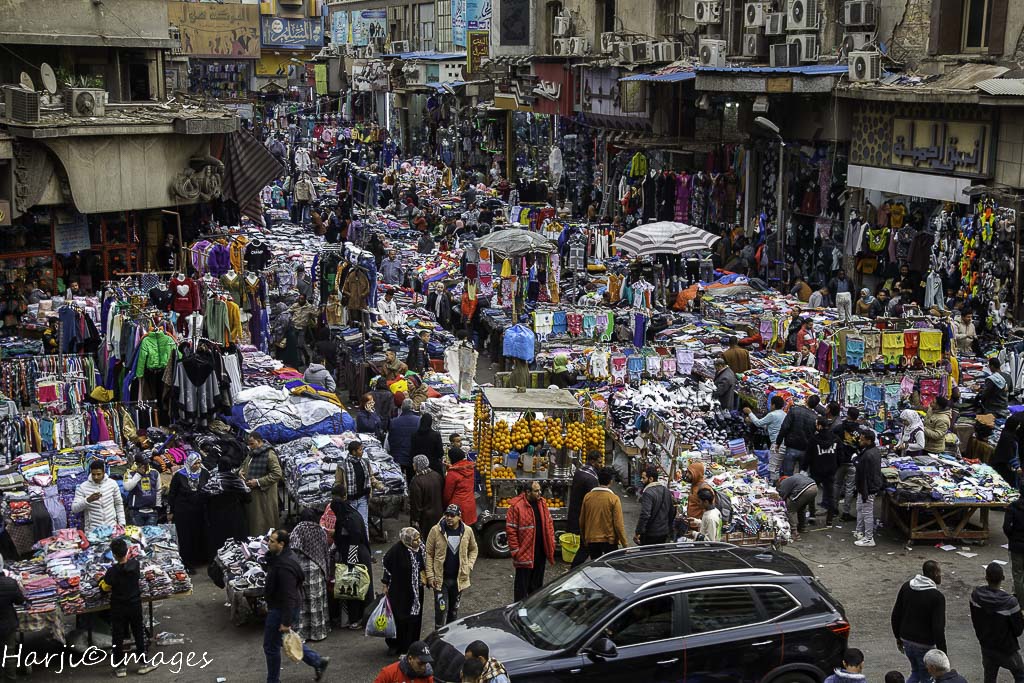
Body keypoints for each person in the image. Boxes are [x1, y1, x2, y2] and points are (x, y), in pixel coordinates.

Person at [263, 529, 330, 683]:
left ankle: (273, 680)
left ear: (281, 544)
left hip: (281, 609)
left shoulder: (284, 567)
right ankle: (318, 661)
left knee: (271, 646)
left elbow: (289, 596)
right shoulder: (284, 557)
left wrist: (286, 622)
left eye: (272, 541)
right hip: (282, 607)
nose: (268, 543)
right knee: (282, 639)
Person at [101, 538, 156, 677]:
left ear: (114, 555)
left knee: (117, 636)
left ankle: (120, 668)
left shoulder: (111, 572)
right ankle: (143, 664)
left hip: (118, 606)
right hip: (134, 604)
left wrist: (100, 581)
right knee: (138, 633)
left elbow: (105, 587)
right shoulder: (135, 565)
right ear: (127, 552)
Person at [325, 484, 373, 629]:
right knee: (354, 588)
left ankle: (359, 618)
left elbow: (355, 539)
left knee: (358, 587)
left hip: (358, 556)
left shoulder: (351, 519)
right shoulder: (347, 515)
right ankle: (355, 617)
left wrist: (350, 564)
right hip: (354, 554)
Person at [891, 560, 947, 682]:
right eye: (939, 572)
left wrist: (898, 637)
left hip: (906, 639)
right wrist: (943, 654)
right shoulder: (937, 597)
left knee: (916, 672)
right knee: (927, 677)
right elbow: (938, 628)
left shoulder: (907, 586)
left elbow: (896, 614)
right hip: (924, 644)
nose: (940, 575)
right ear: (934, 573)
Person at [425, 504, 478, 629]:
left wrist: (469, 566)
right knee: (440, 610)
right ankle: (438, 635)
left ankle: (450, 635)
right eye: (447, 515)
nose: (449, 518)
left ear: (459, 517)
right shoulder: (436, 530)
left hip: (458, 580)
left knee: (453, 612)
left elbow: (474, 549)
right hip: (440, 580)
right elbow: (428, 553)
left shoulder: (467, 531)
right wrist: (430, 576)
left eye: (452, 515)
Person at [970, 561, 1024, 682]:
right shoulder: (1010, 602)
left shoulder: (976, 596)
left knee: (989, 677)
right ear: (1003, 578)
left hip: (986, 645)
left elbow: (974, 619)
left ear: (986, 578)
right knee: (1020, 674)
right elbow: (1018, 630)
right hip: (1007, 649)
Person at [381, 528, 428, 656]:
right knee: (399, 618)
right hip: (400, 591)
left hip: (416, 591)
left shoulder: (421, 549)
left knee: (414, 618)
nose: (418, 542)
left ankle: (411, 645)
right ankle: (396, 645)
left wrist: (425, 578)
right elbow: (387, 566)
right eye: (415, 540)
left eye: (419, 539)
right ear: (407, 540)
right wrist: (385, 584)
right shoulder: (397, 550)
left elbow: (424, 565)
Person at [506, 481, 555, 602]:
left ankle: (533, 608)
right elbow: (511, 531)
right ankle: (519, 609)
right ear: (528, 492)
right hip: (524, 554)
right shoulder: (516, 507)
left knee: (537, 586)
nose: (540, 493)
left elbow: (549, 524)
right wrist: (516, 552)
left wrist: (551, 544)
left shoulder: (542, 503)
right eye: (536, 491)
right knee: (522, 588)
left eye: (540, 490)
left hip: (540, 552)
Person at [167, 453, 209, 575]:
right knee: (186, 538)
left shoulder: (204, 474)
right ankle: (188, 563)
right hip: (184, 513)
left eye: (199, 463)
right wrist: (171, 511)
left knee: (199, 535)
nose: (197, 465)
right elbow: (172, 494)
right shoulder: (179, 475)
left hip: (200, 512)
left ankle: (200, 560)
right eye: (195, 463)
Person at [579, 467, 629, 560]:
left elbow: (582, 521)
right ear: (611, 481)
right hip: (609, 541)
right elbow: (618, 524)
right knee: (609, 566)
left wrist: (584, 538)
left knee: (596, 565)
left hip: (592, 539)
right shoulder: (614, 498)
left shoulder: (588, 497)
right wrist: (624, 544)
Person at [204, 457, 251, 556]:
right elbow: (248, 499)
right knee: (236, 542)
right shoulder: (238, 481)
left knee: (219, 542)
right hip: (235, 516)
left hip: (217, 516)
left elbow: (204, 497)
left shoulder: (213, 481)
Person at [242, 432, 283, 536]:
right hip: (253, 494)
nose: (250, 446)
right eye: (249, 444)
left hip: (264, 495)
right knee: (255, 520)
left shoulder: (269, 454)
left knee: (263, 522)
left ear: (259, 441)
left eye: (252, 443)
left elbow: (277, 474)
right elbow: (245, 465)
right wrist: (240, 472)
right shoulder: (252, 453)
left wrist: (258, 482)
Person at [72, 460, 126, 530]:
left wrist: (122, 523)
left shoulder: (112, 484)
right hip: (92, 531)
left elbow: (118, 504)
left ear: (104, 472)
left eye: (98, 474)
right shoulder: (83, 487)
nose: (96, 477)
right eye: (93, 474)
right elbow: (74, 509)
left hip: (111, 528)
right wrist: (88, 500)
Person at [853, 428, 883, 548]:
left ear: (868, 440)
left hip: (868, 488)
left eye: (862, 439)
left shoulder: (869, 454)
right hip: (866, 487)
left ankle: (869, 538)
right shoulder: (873, 451)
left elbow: (864, 473)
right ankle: (859, 531)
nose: (860, 441)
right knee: (860, 508)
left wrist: (855, 460)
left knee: (867, 512)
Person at [775, 396, 819, 478]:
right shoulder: (815, 418)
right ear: (816, 405)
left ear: (806, 401)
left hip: (791, 446)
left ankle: (788, 486)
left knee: (787, 475)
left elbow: (785, 427)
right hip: (805, 449)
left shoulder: (794, 410)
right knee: (802, 477)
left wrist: (778, 442)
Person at [807, 417, 839, 526]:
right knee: (830, 495)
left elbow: (808, 455)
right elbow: (840, 455)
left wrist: (804, 468)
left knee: (811, 493)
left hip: (816, 470)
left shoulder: (813, 439)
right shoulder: (835, 439)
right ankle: (829, 520)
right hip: (830, 471)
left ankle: (812, 515)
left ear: (819, 426)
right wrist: (835, 466)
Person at [335, 440, 373, 532]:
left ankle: (365, 541)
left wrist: (380, 486)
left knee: (363, 524)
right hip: (349, 501)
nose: (362, 451)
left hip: (362, 499)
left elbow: (371, 477)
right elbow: (338, 483)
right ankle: (352, 541)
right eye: (360, 450)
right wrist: (339, 498)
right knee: (350, 525)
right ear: (354, 452)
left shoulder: (365, 462)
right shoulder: (342, 466)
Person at [634, 465, 675, 545]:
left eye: (643, 478)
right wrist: (668, 527)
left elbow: (645, 515)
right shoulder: (666, 490)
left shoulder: (648, 493)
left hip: (651, 533)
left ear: (651, 479)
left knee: (648, 552)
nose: (641, 480)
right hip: (663, 533)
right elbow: (672, 511)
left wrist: (638, 532)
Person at [745, 395, 787, 473]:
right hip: (785, 444)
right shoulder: (784, 414)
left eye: (770, 404)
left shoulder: (772, 414)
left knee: (773, 469)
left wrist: (750, 412)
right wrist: (752, 420)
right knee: (779, 467)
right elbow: (768, 425)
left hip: (777, 444)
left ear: (773, 405)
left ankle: (773, 481)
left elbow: (758, 423)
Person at [833, 407, 862, 522]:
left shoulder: (839, 428)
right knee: (850, 488)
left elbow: (832, 439)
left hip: (839, 461)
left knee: (837, 484)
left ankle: (834, 509)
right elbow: (861, 446)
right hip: (852, 461)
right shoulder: (859, 432)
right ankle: (846, 512)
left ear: (848, 415)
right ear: (857, 417)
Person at [0, 561, 25, 682]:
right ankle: (11, 679)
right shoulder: (10, 583)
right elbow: (20, 600)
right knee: (9, 653)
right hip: (7, 624)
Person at [409, 455, 445, 534]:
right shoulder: (437, 475)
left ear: (418, 465)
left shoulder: (416, 481)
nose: (413, 464)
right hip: (439, 514)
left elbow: (416, 503)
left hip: (425, 519)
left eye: (414, 463)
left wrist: (415, 519)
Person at [777, 473, 817, 541]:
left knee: (789, 510)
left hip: (804, 489)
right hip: (814, 487)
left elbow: (782, 497)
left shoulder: (784, 482)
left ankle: (794, 533)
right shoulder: (794, 478)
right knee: (802, 508)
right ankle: (802, 527)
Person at [443, 448, 478, 526]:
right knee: (468, 529)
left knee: (458, 530)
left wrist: (444, 506)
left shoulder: (452, 473)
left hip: (457, 507)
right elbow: (460, 467)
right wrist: (451, 467)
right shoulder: (470, 468)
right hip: (470, 504)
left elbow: (447, 494)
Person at [389, 399, 421, 481]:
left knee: (398, 481)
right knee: (411, 479)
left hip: (397, 455)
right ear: (412, 407)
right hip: (412, 456)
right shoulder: (418, 420)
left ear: (402, 408)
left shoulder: (394, 421)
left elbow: (390, 439)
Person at [124, 455, 161, 526]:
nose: (145, 465)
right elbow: (127, 488)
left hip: (152, 511)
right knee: (138, 532)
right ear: (137, 464)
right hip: (136, 511)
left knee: (151, 532)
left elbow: (158, 490)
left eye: (147, 463)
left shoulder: (155, 473)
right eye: (143, 464)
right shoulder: (129, 473)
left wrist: (157, 506)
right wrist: (138, 474)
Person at [1004, 493, 1024, 605]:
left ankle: (1021, 603)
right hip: (1017, 543)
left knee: (1018, 574)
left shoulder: (1013, 507)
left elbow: (1006, 527)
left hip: (1016, 545)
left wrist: (1012, 538)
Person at [682, 461, 714, 527]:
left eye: (690, 473)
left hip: (699, 527)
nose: (687, 475)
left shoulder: (705, 489)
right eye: (687, 472)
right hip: (692, 525)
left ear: (697, 473)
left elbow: (709, 512)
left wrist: (700, 525)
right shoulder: (694, 485)